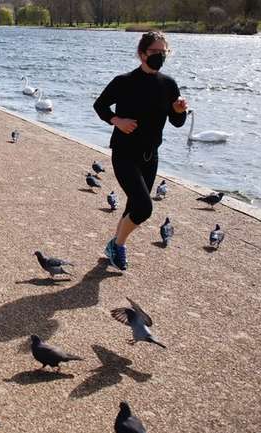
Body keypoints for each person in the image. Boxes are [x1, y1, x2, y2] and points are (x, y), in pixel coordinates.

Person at [93, 31, 187, 271]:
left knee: (133, 206)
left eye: (163, 52)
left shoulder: (168, 85)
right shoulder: (124, 81)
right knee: (144, 207)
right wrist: (117, 121)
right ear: (142, 53)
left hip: (150, 156)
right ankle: (118, 245)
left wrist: (178, 110)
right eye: (154, 52)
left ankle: (114, 247)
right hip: (124, 153)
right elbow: (100, 105)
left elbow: (178, 123)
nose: (159, 56)